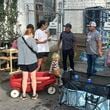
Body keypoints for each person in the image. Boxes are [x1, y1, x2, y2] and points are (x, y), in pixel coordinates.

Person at [17, 24, 38, 100]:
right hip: (31, 61)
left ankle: (24, 95)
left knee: (24, 78)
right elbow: (35, 49)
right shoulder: (32, 39)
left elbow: (18, 47)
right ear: (31, 33)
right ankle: (34, 94)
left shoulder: (19, 39)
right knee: (33, 78)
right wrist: (33, 40)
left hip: (22, 62)